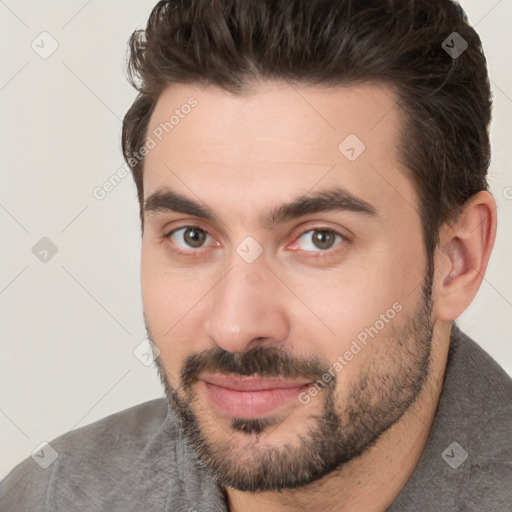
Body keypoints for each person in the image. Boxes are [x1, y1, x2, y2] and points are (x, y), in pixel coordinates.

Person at [2, 0, 511, 510]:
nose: (235, 327)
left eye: (319, 239)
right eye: (192, 236)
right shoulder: (48, 497)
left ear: (456, 259)